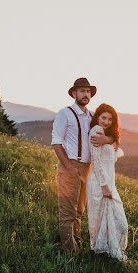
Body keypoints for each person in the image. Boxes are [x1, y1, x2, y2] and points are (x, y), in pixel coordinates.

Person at [51, 78, 114, 254]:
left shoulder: (93, 116)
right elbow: (56, 143)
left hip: (88, 169)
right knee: (68, 212)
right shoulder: (65, 113)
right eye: (82, 91)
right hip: (69, 166)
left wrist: (106, 139)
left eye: (88, 91)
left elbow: (112, 136)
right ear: (74, 94)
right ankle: (71, 253)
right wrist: (70, 169)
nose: (86, 94)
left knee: (79, 210)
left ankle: (76, 241)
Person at [86, 103, 128, 261]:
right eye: (103, 117)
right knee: (106, 218)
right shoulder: (96, 131)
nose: (106, 121)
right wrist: (104, 186)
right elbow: (96, 161)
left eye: (110, 119)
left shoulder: (106, 135)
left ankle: (107, 250)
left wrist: (109, 140)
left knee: (112, 219)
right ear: (97, 117)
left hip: (108, 183)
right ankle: (103, 251)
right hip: (99, 183)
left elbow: (116, 153)